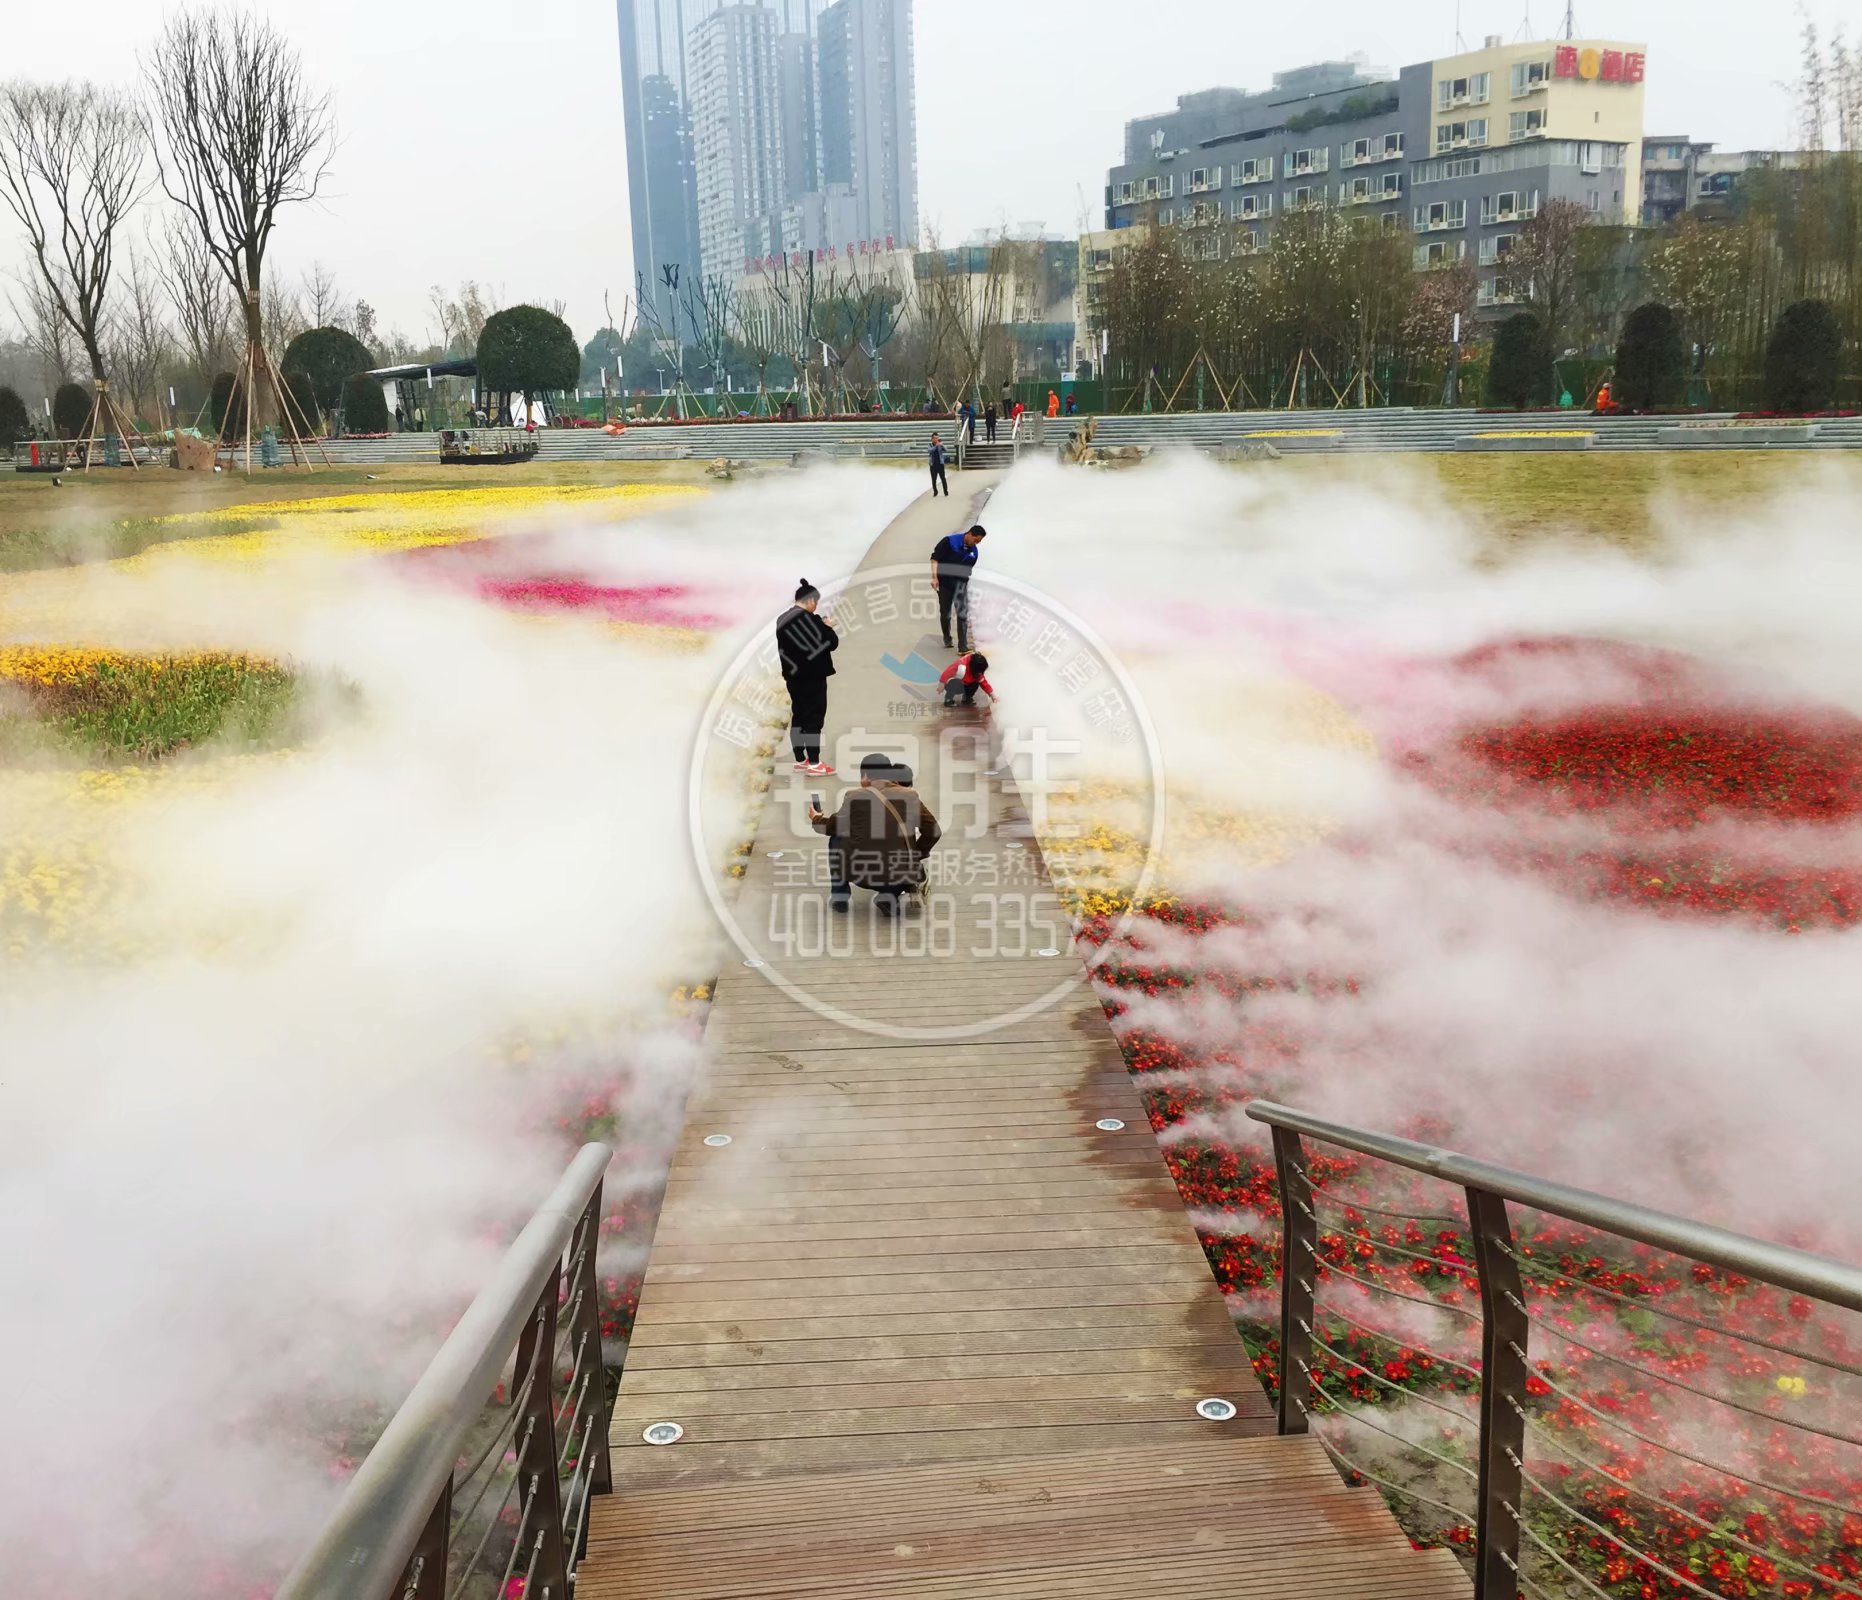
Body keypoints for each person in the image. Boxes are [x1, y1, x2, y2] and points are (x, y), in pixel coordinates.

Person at [810, 754, 941, 915]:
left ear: (865, 776)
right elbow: (934, 831)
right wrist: (915, 855)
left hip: (859, 873)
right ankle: (889, 896)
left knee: (836, 838)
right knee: (902, 857)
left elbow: (830, 827)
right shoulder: (910, 796)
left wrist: (816, 817)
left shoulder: (854, 796)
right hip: (898, 874)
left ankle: (840, 897)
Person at [775, 579, 839, 775]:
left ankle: (800, 759)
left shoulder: (782, 618)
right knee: (814, 718)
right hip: (812, 677)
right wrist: (828, 626)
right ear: (811, 600)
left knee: (799, 716)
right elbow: (831, 643)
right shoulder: (811, 621)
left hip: (792, 677)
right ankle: (814, 762)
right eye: (816, 603)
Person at [929, 523, 986, 652]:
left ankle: (963, 647)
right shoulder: (949, 542)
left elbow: (967, 570)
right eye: (976, 540)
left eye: (979, 541)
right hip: (944, 582)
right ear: (970, 534)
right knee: (946, 613)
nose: (976, 543)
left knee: (962, 614)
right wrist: (934, 577)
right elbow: (934, 559)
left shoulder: (973, 553)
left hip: (960, 584)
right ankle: (947, 638)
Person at [928, 431, 949, 496]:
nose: (936, 439)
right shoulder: (930, 445)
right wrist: (935, 446)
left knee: (943, 478)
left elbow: (946, 450)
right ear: (932, 439)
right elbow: (929, 451)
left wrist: (942, 445)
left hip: (940, 464)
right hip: (933, 464)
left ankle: (945, 491)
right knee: (934, 479)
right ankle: (935, 491)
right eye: (934, 438)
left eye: (937, 438)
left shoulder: (940, 444)